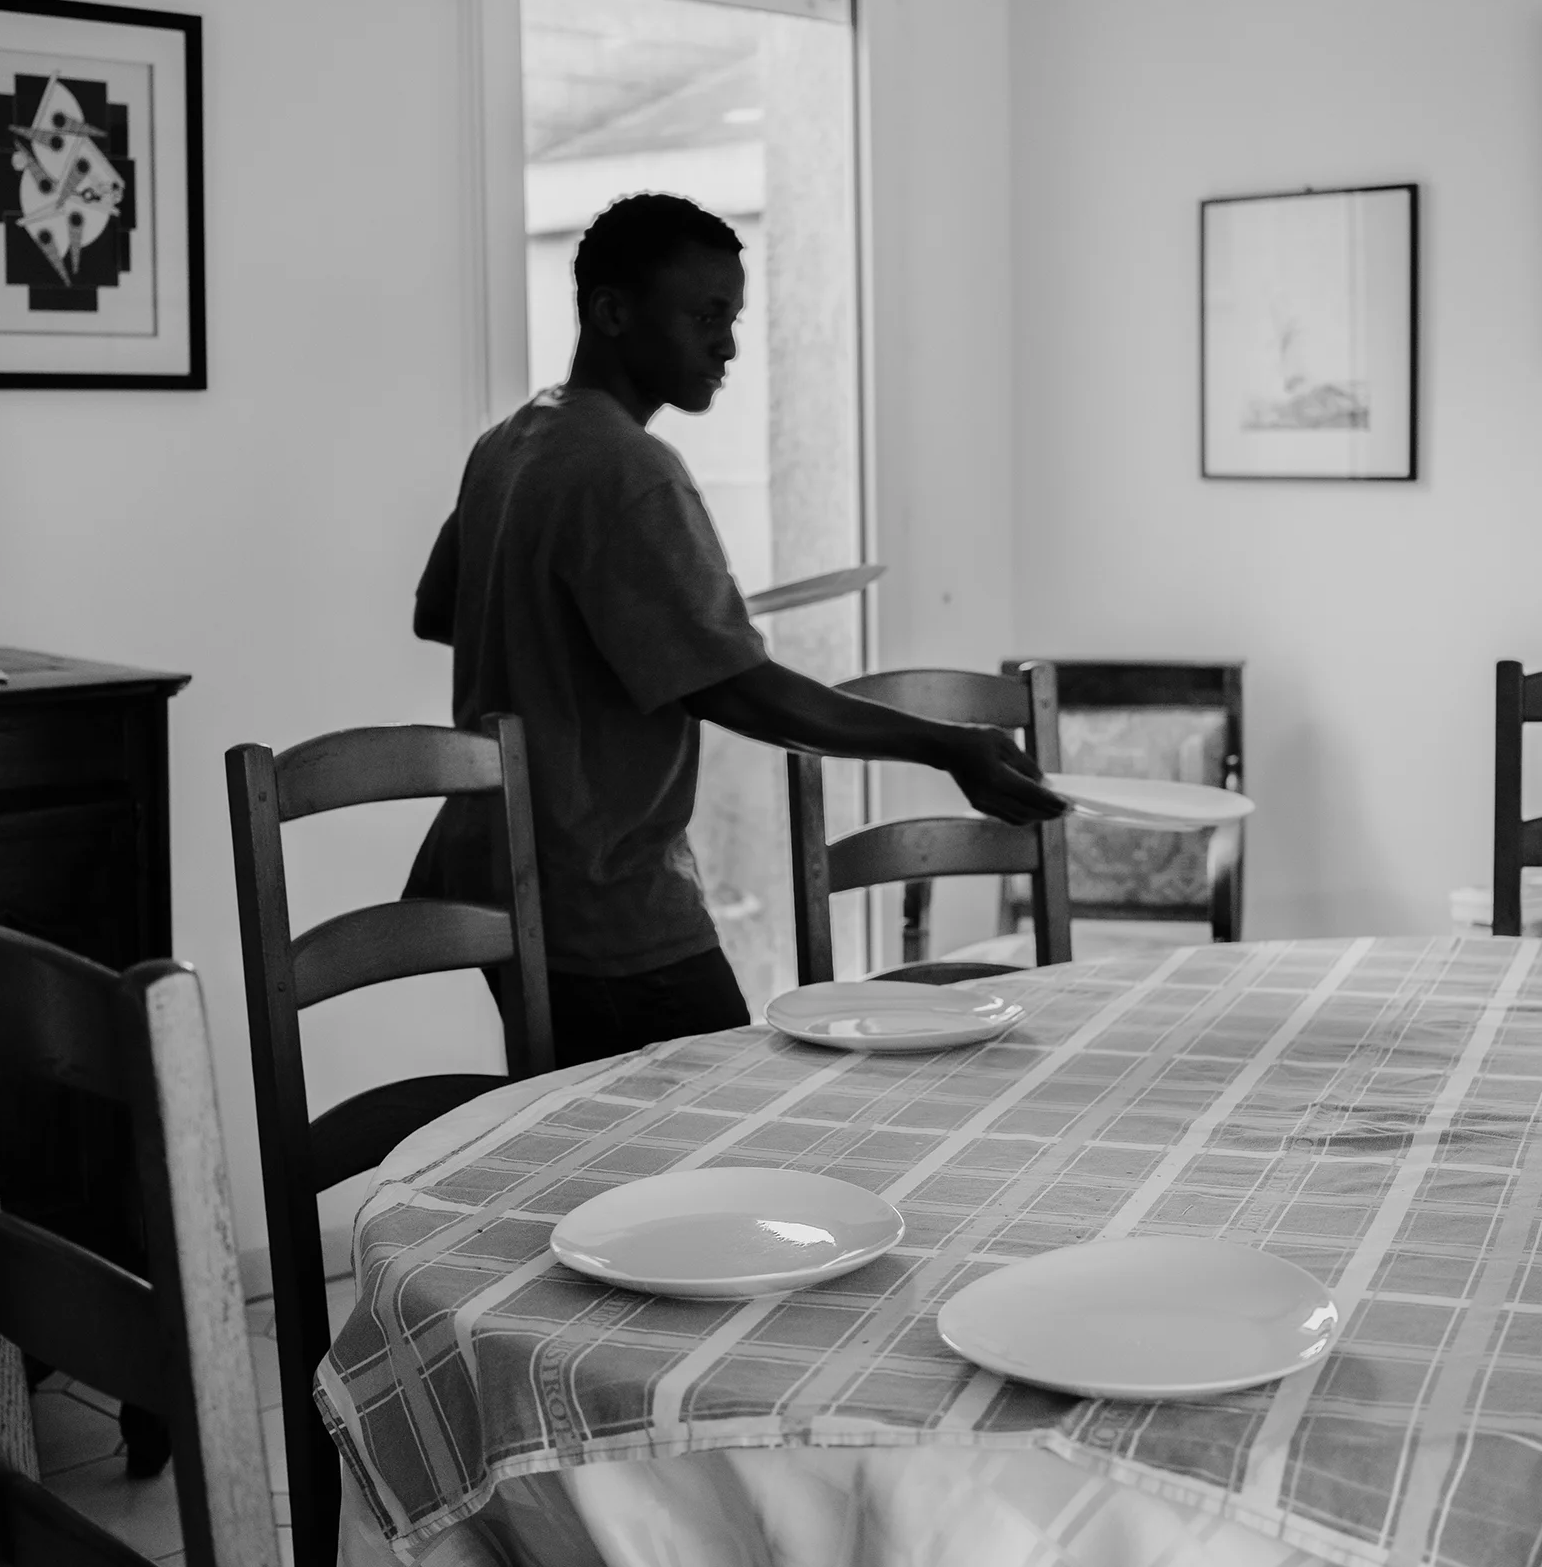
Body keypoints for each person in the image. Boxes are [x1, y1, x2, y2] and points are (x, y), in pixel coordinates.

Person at [407, 192, 1066, 1066]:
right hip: (602, 894)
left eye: (734, 317)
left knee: (584, 1153)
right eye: (706, 316)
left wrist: (643, 621)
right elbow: (737, 691)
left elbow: (445, 610)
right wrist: (950, 747)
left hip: (500, 873)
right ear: (612, 311)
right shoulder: (629, 470)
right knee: (714, 1123)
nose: (727, 345)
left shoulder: (512, 441)